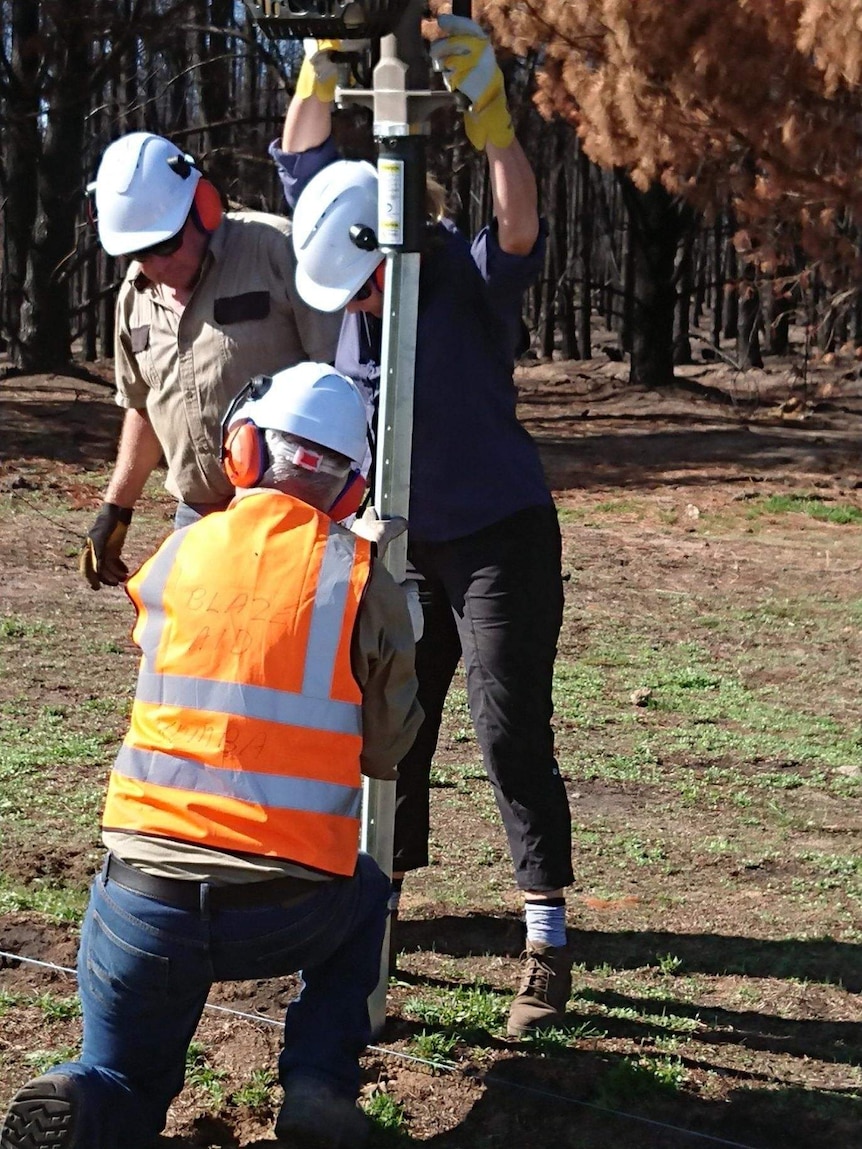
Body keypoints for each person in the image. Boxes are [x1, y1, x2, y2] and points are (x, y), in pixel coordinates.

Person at [2, 363, 423, 1149]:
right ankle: (315, 1086)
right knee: (366, 893)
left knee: (128, 1072)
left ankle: (91, 1098)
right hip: (287, 907)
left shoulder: (178, 554)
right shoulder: (365, 577)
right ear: (350, 487)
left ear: (242, 449)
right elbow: (389, 751)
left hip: (142, 897)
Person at [270, 14, 574, 1038]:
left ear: (389, 248)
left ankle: (545, 942)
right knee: (386, 734)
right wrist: (323, 62)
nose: (347, 303)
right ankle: (371, 943)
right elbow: (304, 153)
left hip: (496, 537)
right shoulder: (342, 256)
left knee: (507, 733)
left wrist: (491, 121)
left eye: (357, 283)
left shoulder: (458, 280)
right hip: (395, 542)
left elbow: (520, 226)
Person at [79, 131, 342, 590]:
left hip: (290, 520)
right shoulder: (133, 298)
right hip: (198, 518)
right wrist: (116, 508)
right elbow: (144, 405)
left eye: (165, 244)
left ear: (203, 207)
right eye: (137, 252)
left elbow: (342, 379)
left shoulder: (276, 251)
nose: (154, 264)